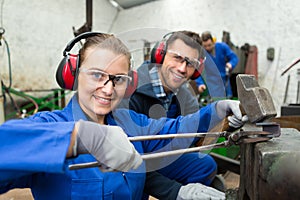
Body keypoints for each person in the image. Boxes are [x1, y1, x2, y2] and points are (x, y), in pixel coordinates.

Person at [0, 32, 245, 199]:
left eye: (118, 79)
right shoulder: (49, 126)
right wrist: (79, 138)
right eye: (97, 75)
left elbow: (174, 128)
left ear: (129, 84)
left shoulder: (130, 123)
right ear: (73, 75)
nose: (107, 89)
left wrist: (217, 111)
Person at [120, 30, 224, 199]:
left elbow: (195, 128)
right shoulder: (130, 91)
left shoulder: (184, 95)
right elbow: (128, 162)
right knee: (135, 187)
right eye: (177, 57)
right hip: (131, 162)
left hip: (159, 157)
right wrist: (175, 191)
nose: (182, 69)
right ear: (160, 55)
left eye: (190, 63)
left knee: (204, 165)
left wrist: (223, 118)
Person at [195, 31, 239, 98]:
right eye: (205, 46)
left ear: (213, 42)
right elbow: (197, 71)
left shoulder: (222, 47)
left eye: (209, 45)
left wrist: (231, 64)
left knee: (228, 100)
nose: (207, 48)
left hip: (225, 81)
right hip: (211, 84)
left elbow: (234, 58)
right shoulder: (201, 54)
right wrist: (200, 84)